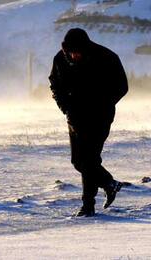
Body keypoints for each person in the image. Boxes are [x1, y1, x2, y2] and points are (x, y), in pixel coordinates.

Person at [49, 28, 128, 217]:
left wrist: (102, 104)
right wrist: (65, 107)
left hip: (100, 116)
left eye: (78, 51)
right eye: (71, 52)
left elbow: (122, 86)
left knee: (89, 160)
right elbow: (55, 84)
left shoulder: (106, 57)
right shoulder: (60, 59)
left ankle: (88, 206)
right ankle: (110, 184)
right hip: (74, 117)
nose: (75, 55)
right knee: (78, 161)